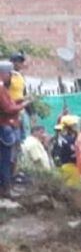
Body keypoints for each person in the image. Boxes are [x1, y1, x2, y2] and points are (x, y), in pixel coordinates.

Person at [0, 61, 29, 198]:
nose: (10, 77)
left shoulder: (3, 88)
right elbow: (8, 108)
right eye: (9, 74)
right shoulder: (0, 88)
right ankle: (6, 188)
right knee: (6, 159)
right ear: (4, 74)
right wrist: (24, 105)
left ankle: (6, 186)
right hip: (4, 126)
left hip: (6, 124)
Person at [52, 115, 80, 188]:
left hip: (63, 166)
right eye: (75, 125)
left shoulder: (61, 138)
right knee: (73, 189)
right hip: (70, 166)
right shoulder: (69, 139)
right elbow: (74, 153)